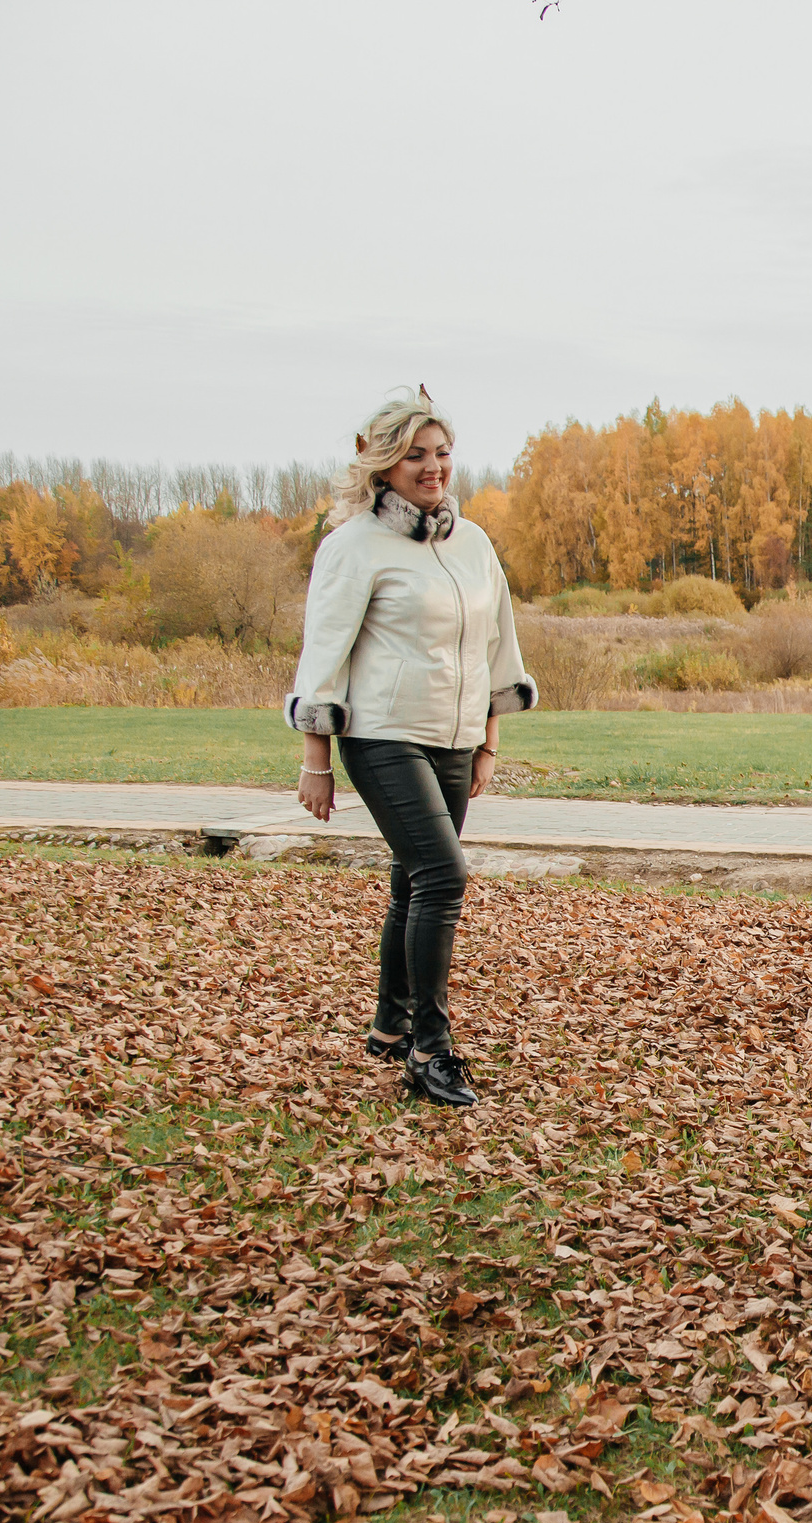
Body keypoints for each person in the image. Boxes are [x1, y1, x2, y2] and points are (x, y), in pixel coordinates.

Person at [287, 387, 537, 1109]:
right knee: (443, 876)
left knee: (412, 879)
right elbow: (323, 659)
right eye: (415, 456)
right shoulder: (354, 546)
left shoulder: (475, 541)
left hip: (455, 736)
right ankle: (430, 1049)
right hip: (383, 735)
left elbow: (499, 646)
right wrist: (316, 761)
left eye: (442, 454)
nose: (433, 469)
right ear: (383, 467)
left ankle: (390, 1024)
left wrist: (490, 739)